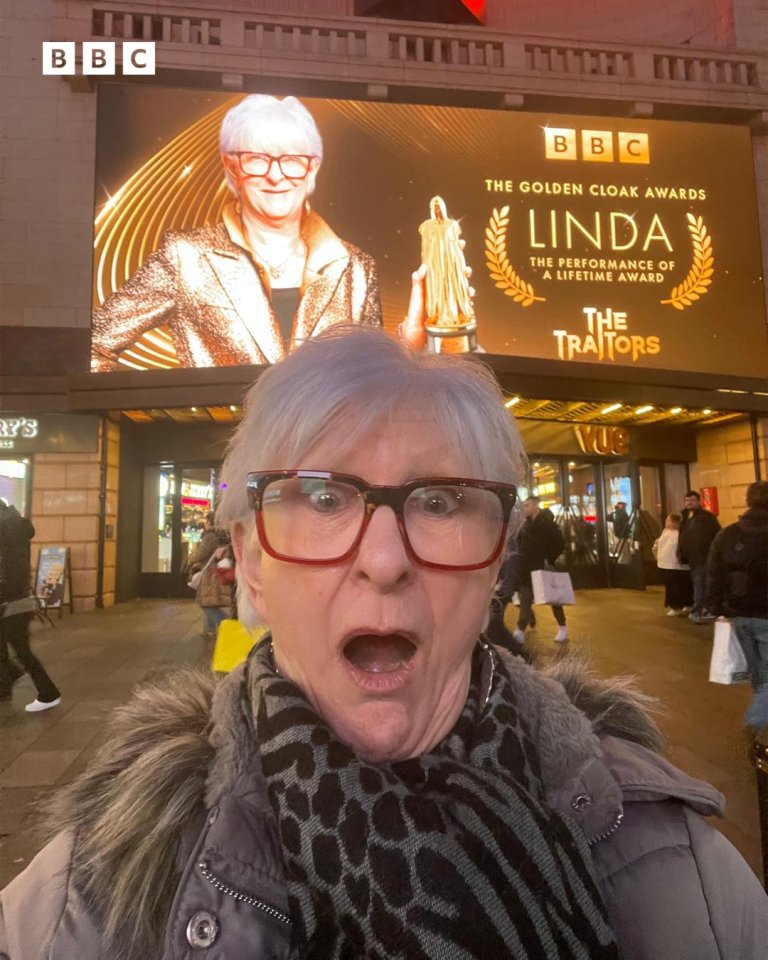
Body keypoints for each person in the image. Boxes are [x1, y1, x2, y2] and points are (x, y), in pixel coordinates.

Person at [2, 327, 766, 959]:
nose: (385, 559)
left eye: (439, 501)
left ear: (497, 561)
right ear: (253, 564)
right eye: (326, 497)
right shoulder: (79, 903)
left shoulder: (683, 878)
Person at [91, 95, 385, 370]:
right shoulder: (186, 257)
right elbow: (95, 345)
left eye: (292, 160)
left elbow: (373, 377)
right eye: (257, 158)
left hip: (322, 428)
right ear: (232, 166)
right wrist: (166, 407)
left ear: (312, 169)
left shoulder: (356, 268)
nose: (275, 175)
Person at [707, 481, 768, 730]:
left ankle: (762, 722)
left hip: (738, 613)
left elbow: (715, 572)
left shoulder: (729, 534)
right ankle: (755, 725)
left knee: (760, 676)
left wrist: (716, 607)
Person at [0, 501, 61, 712]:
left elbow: (6, 571)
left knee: (22, 651)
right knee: (15, 648)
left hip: (9, 602)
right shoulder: (14, 527)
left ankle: (48, 693)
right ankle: (7, 680)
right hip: (17, 599)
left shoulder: (4, 531)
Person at [512, 496, 568, 644]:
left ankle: (562, 626)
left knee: (554, 599)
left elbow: (560, 544)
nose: (524, 509)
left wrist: (549, 559)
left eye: (527, 506)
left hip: (542, 567)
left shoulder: (548, 525)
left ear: (535, 508)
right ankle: (520, 629)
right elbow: (518, 545)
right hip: (526, 569)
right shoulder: (524, 526)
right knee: (525, 599)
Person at [185, 514, 232, 639]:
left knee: (204, 601)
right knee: (209, 600)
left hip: (210, 572)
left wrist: (190, 560)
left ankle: (226, 624)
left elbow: (202, 553)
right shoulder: (223, 534)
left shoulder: (210, 535)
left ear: (209, 522)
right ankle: (209, 628)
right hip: (217, 570)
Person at [678, 489, 721, 624]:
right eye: (687, 500)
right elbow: (683, 536)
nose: (689, 502)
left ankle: (699, 610)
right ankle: (702, 609)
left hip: (703, 556)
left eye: (692, 500)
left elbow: (717, 534)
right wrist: (680, 552)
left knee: (700, 584)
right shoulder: (685, 517)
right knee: (699, 583)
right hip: (692, 557)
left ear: (698, 502)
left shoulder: (706, 517)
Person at [653, 514, 692, 616]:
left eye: (668, 520)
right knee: (671, 585)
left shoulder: (680, 533)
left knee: (679, 585)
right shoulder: (665, 532)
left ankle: (681, 605)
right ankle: (676, 605)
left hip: (676, 564)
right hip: (666, 563)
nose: (666, 522)